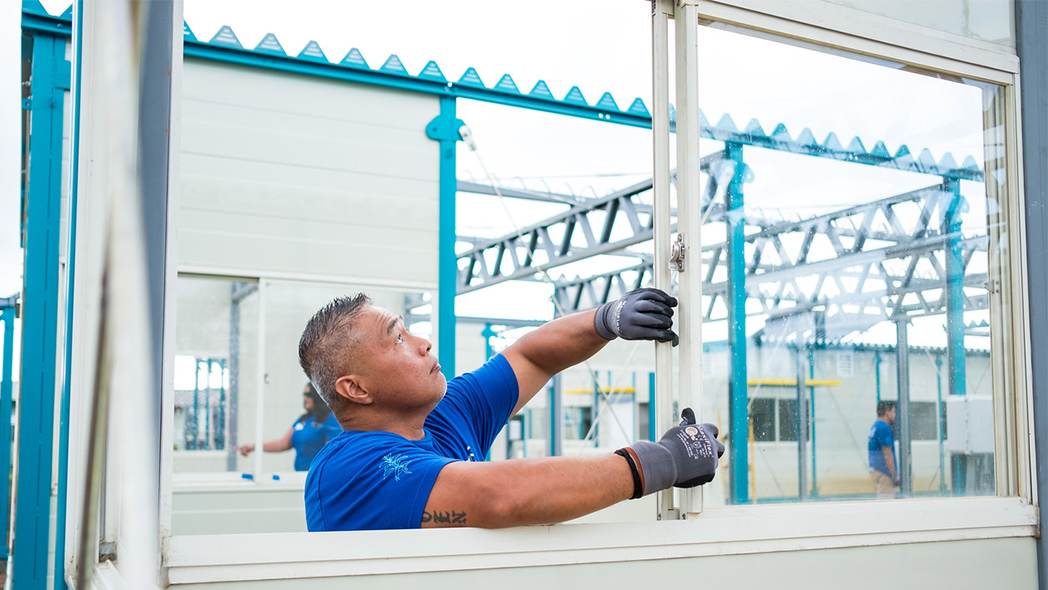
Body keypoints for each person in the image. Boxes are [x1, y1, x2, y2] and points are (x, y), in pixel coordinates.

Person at [297, 288, 725, 531]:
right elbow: (499, 497)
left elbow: (531, 359)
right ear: (355, 389)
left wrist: (606, 319)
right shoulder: (348, 470)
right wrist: (663, 461)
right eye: (397, 339)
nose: (423, 342)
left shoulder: (445, 414)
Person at [236, 382, 342, 471]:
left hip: (318, 478)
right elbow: (282, 444)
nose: (305, 398)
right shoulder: (303, 419)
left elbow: (332, 457)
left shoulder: (330, 420)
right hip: (299, 476)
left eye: (309, 395)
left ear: (318, 396)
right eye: (304, 394)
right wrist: (254, 447)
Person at [868, 400, 899, 499]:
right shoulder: (884, 427)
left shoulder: (875, 426)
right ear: (887, 412)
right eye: (893, 412)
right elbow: (887, 453)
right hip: (884, 472)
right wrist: (894, 475)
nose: (895, 415)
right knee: (886, 503)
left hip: (875, 469)